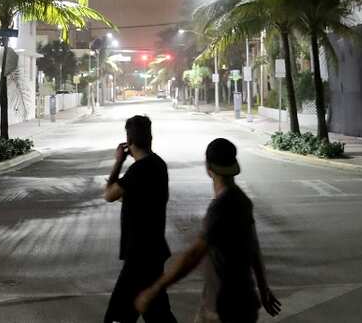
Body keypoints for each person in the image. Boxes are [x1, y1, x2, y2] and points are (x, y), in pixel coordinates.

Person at [136, 138, 281, 323]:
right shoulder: (242, 200)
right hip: (244, 303)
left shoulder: (221, 208)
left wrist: (154, 290)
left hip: (222, 309)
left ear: (208, 168)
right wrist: (263, 289)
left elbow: (193, 255)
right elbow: (254, 250)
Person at [103, 115, 177, 323]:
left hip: (138, 257)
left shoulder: (137, 172)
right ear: (150, 137)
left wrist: (118, 161)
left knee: (117, 316)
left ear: (129, 141)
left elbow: (109, 194)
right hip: (154, 252)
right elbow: (141, 198)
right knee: (157, 312)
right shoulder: (159, 165)